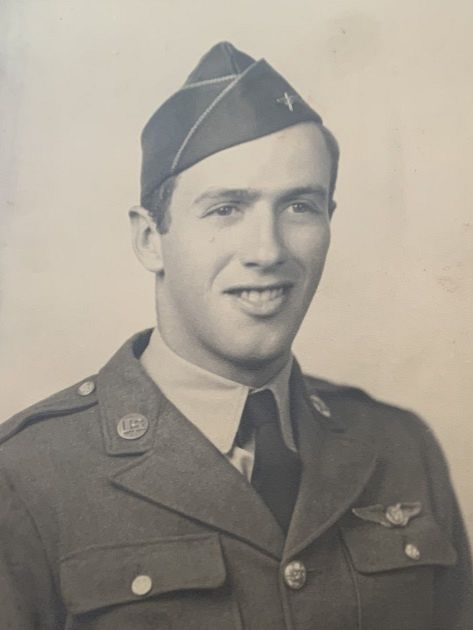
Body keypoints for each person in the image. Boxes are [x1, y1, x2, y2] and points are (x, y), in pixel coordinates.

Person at [0, 41, 471, 630]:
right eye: (226, 209)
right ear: (150, 239)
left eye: (299, 206)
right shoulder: (26, 475)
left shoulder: (399, 445)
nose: (267, 251)